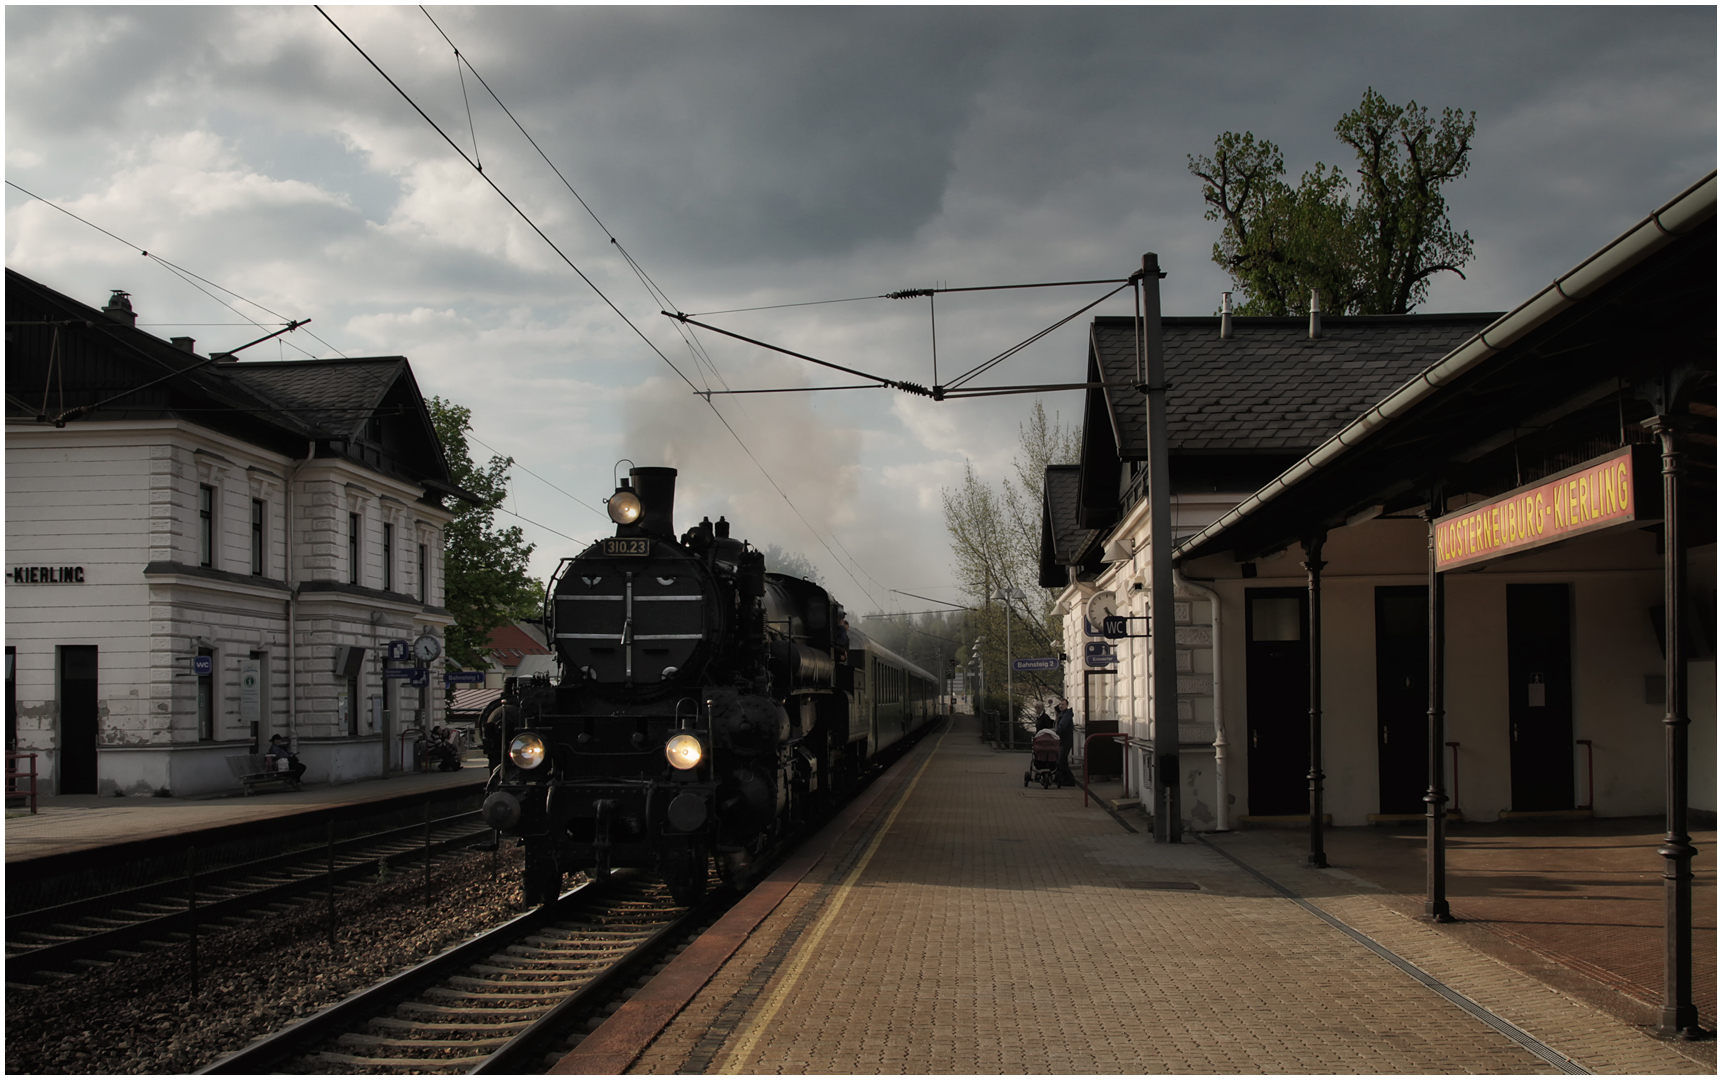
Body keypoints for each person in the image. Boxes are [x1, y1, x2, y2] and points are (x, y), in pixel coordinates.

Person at [1054, 700, 1076, 786]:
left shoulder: (1066, 715)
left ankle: (1070, 780)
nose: (1061, 706)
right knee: (1063, 761)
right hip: (1063, 740)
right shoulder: (1062, 714)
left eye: (1063, 704)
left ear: (1067, 705)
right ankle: (1064, 779)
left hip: (1065, 741)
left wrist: (1056, 732)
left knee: (1061, 761)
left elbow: (1062, 726)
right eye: (1060, 704)